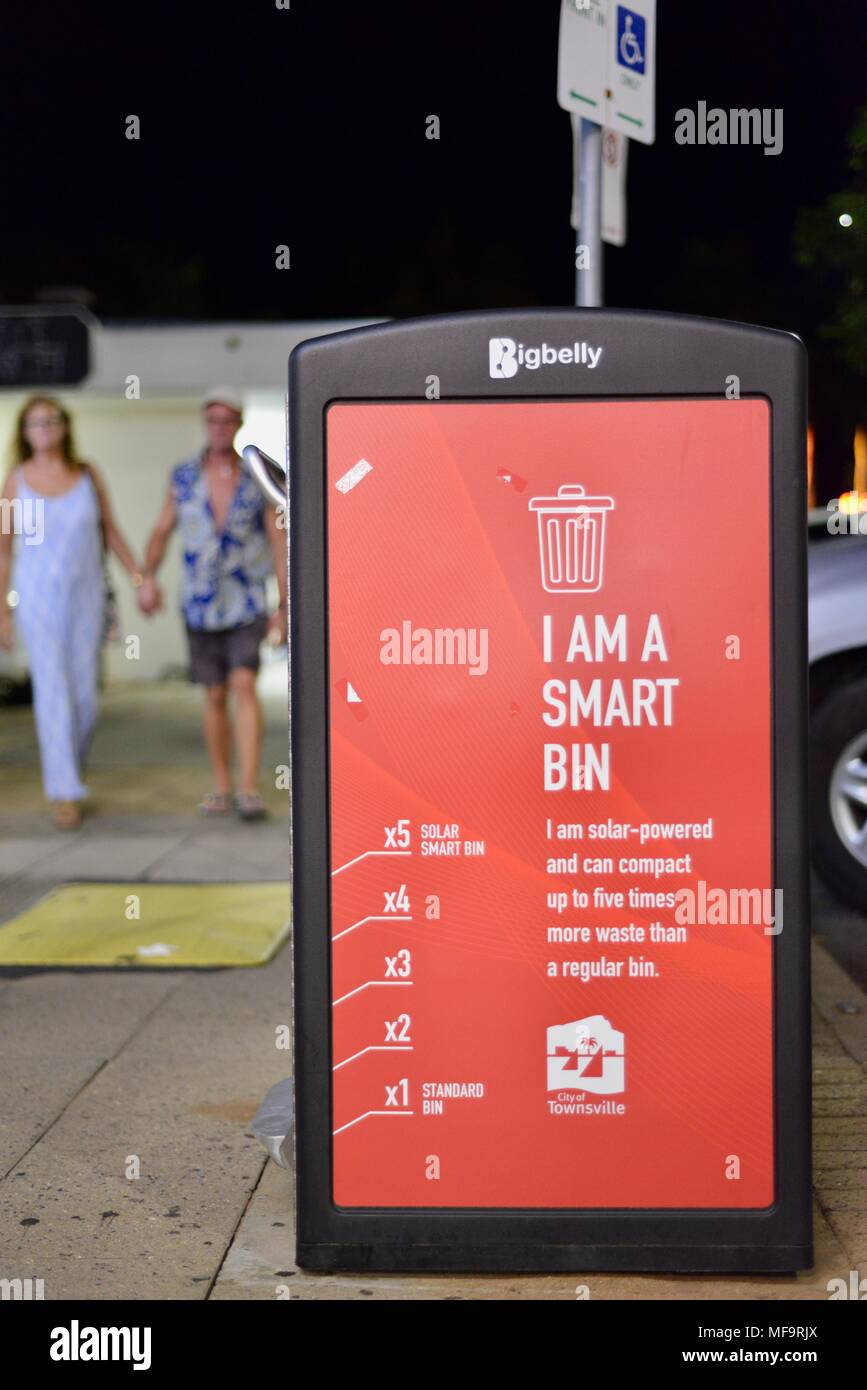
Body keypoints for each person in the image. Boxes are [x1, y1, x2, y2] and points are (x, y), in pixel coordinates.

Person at [0, 396, 159, 829]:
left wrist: (140, 579)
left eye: (52, 420)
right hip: (36, 597)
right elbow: (4, 550)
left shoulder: (87, 475)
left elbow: (111, 532)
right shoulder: (17, 481)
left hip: (86, 596)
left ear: (65, 427)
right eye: (35, 422)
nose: (45, 429)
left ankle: (69, 767)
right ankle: (64, 792)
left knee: (85, 696)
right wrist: (2, 612)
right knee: (51, 692)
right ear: (24, 432)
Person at [140, 387, 286, 821]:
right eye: (213, 420)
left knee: (244, 683)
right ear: (205, 424)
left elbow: (277, 539)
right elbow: (162, 530)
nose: (220, 428)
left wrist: (285, 604)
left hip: (245, 599)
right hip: (200, 602)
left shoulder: (255, 479)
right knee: (215, 691)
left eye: (228, 420)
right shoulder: (183, 476)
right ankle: (222, 785)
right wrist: (146, 577)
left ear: (238, 425)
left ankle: (248, 788)